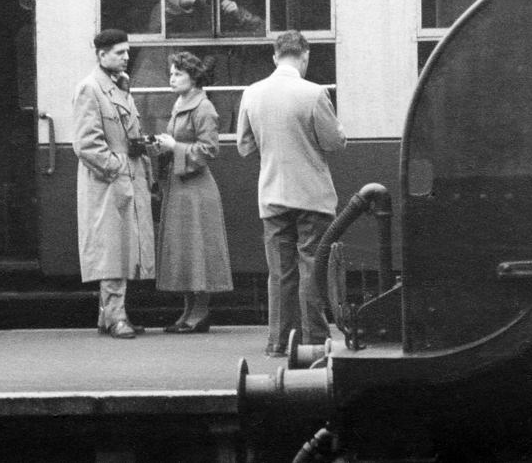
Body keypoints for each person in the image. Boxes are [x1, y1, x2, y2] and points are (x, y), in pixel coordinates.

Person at [237, 30, 346, 357]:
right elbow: (334, 143)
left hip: (271, 195)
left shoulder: (252, 93)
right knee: (311, 267)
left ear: (275, 56)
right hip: (312, 196)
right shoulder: (314, 93)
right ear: (305, 56)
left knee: (280, 273)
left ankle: (279, 342)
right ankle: (313, 341)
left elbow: (244, 146)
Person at [72, 29, 156, 339]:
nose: (126, 57)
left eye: (127, 51)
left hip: (126, 177)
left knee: (124, 248)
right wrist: (117, 167)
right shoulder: (90, 89)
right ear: (101, 54)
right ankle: (116, 316)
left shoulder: (120, 88)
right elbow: (86, 144)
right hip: (108, 182)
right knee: (112, 250)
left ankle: (108, 316)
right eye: (119, 52)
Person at [151, 51, 233, 333]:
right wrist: (165, 148)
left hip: (196, 187)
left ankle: (200, 312)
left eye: (177, 74)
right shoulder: (181, 102)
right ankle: (188, 310)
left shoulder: (204, 108)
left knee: (198, 248)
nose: (171, 78)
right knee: (185, 248)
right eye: (171, 73)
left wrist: (175, 148)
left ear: (193, 77)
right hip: (180, 184)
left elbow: (209, 150)